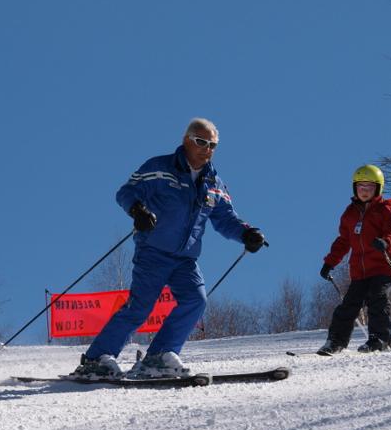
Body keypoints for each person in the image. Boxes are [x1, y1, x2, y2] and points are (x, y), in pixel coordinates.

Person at [74, 118, 266, 379]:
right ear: (186, 140)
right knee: (140, 307)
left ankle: (157, 358)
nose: (207, 149)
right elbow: (126, 191)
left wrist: (246, 233)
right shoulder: (160, 168)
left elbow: (225, 219)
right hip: (153, 249)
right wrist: (137, 210)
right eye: (201, 142)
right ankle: (96, 359)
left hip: (185, 258)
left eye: (213, 145)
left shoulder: (214, 183)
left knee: (196, 300)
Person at [318, 164, 391, 355]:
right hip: (360, 271)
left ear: (378, 189)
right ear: (355, 188)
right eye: (361, 187)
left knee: (377, 299)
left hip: (382, 267)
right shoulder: (350, 214)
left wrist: (386, 242)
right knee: (348, 305)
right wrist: (330, 262)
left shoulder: (387, 211)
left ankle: (380, 339)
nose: (364, 192)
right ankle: (336, 341)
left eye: (369, 188)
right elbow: (343, 241)